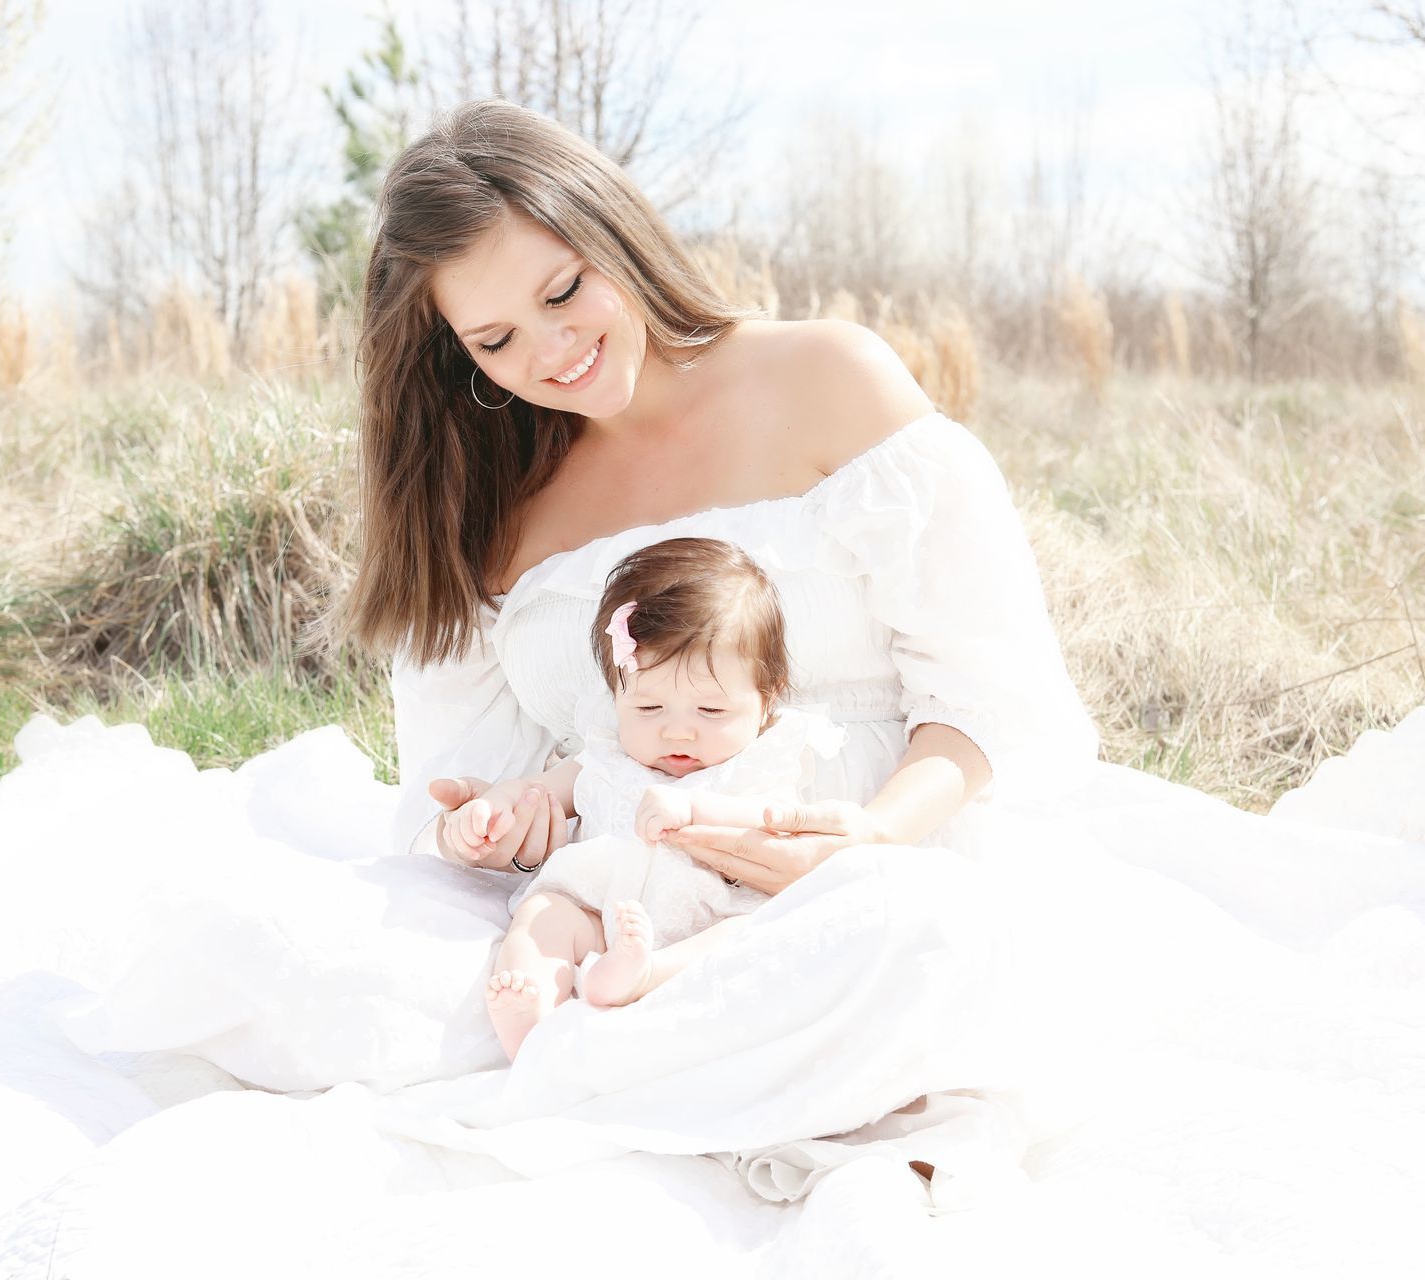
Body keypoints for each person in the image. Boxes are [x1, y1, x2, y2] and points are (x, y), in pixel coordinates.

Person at [341, 98, 1100, 899]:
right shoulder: (484, 508)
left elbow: (989, 693)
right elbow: (453, 791)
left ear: (612, 233)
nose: (552, 350)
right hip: (621, 909)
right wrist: (502, 835)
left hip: (897, 876)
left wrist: (871, 839)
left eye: (563, 291)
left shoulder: (829, 380)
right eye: (496, 341)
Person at [447, 537, 846, 1058]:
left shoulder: (759, 764)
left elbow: (778, 824)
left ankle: (644, 975)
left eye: (710, 713)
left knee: (755, 933)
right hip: (598, 909)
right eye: (651, 707)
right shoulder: (608, 756)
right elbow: (537, 794)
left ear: (765, 700)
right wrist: (491, 810)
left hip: (707, 919)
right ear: (617, 695)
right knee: (545, 913)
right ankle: (533, 1000)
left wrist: (696, 809)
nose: (677, 734)